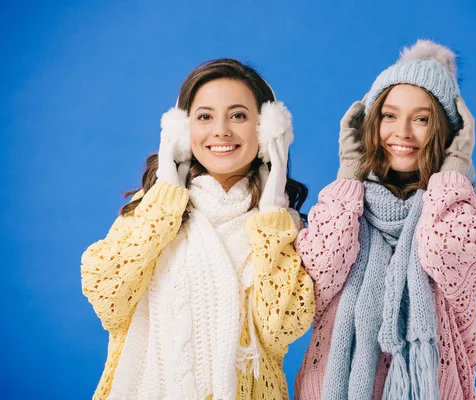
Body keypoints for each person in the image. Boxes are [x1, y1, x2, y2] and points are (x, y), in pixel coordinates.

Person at [81, 58, 315, 400]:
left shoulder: (280, 229)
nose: (221, 130)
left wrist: (272, 209)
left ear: (266, 131)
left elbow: (281, 329)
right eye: (204, 116)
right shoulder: (154, 212)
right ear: (181, 130)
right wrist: (164, 195)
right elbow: (107, 296)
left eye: (238, 115)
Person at [294, 40, 476, 400]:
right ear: (371, 123)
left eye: (422, 119)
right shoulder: (345, 206)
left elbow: (444, 252)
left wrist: (455, 165)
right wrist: (349, 173)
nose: (402, 133)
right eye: (389, 116)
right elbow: (317, 280)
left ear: (447, 130)